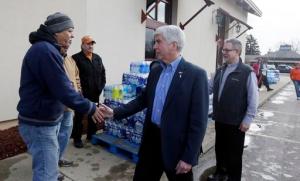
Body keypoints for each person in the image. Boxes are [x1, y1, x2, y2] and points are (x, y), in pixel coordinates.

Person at [101, 25, 209, 181]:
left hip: (177, 147)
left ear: (174, 44)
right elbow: (142, 100)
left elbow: (199, 121)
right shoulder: (156, 70)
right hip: (151, 141)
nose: (154, 47)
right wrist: (114, 112)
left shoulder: (196, 75)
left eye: (158, 42)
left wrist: (189, 157)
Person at [17, 12, 103, 181]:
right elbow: (62, 89)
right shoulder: (45, 50)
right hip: (40, 124)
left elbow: (62, 85)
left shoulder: (50, 50)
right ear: (57, 31)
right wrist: (91, 107)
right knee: (45, 174)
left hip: (45, 119)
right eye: (69, 30)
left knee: (48, 167)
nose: (72, 35)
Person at [207, 38, 258, 181]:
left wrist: (248, 119)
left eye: (227, 50)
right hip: (220, 119)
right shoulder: (220, 70)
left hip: (236, 122)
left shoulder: (247, 72)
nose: (224, 52)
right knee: (220, 149)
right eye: (223, 49)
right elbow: (208, 88)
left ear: (237, 51)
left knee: (234, 154)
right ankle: (220, 173)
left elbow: (253, 98)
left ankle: (233, 177)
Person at [72, 35, 106, 148]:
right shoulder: (75, 58)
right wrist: (77, 91)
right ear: (82, 45)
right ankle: (77, 138)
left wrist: (101, 86)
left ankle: (91, 135)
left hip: (95, 92)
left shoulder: (97, 58)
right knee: (79, 116)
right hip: (82, 94)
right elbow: (73, 76)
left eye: (92, 44)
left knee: (94, 115)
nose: (91, 46)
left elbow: (102, 73)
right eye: (88, 43)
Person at [57, 46, 82, 168]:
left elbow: (76, 78)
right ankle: (52, 163)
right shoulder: (53, 59)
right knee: (54, 136)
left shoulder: (71, 61)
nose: (66, 47)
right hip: (57, 107)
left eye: (68, 44)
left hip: (70, 106)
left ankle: (59, 158)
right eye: (63, 45)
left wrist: (79, 93)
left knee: (65, 134)